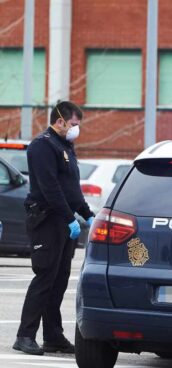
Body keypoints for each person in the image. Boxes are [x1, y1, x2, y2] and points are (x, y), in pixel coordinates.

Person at [13, 101, 94, 355]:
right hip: (47, 221)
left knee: (58, 282)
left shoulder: (65, 146)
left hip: (64, 222)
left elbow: (71, 188)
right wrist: (70, 218)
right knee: (45, 278)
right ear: (59, 120)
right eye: (73, 124)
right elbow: (50, 188)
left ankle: (53, 336)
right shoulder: (43, 146)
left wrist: (87, 215)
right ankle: (25, 335)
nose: (75, 130)